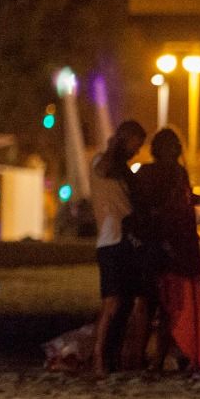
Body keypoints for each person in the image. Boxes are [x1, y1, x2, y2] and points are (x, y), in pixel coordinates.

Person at [135, 128, 200, 373]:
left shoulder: (148, 172)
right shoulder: (177, 173)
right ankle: (156, 358)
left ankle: (143, 357)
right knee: (168, 306)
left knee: (152, 304)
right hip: (174, 246)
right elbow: (183, 204)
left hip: (154, 244)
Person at [89, 120, 152, 375]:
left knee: (127, 302)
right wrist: (115, 147)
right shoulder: (101, 163)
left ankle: (117, 356)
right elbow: (106, 169)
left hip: (127, 240)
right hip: (111, 239)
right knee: (112, 301)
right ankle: (99, 357)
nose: (135, 152)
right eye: (134, 145)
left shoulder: (123, 170)